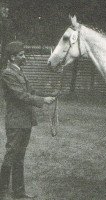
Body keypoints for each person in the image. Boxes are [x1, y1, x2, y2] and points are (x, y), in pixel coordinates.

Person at [0, 41, 56, 199]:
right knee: (11, 154)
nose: (24, 57)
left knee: (20, 156)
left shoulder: (19, 72)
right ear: (12, 57)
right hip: (15, 122)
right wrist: (42, 100)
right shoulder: (7, 73)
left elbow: (31, 90)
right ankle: (2, 191)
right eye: (21, 55)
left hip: (25, 121)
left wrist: (48, 93)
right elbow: (21, 95)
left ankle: (19, 192)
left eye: (23, 54)